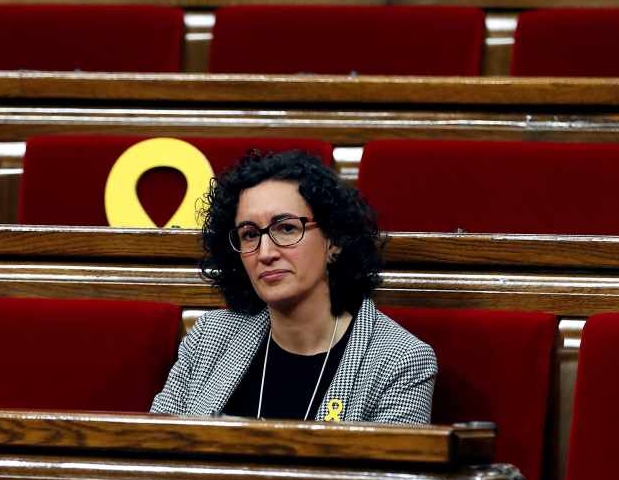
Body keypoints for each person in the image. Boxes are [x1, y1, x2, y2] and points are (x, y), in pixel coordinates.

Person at [151, 149, 437, 424]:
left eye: (286, 228)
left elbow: (382, 474)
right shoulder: (209, 339)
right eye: (250, 234)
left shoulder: (400, 360)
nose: (265, 253)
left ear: (333, 240)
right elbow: (156, 452)